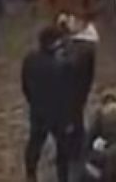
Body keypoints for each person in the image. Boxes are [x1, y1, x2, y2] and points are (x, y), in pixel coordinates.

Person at [22, 25, 77, 182]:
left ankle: (30, 173)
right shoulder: (62, 65)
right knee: (62, 148)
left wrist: (33, 101)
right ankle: (62, 177)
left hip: (37, 110)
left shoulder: (30, 59)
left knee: (35, 142)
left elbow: (25, 85)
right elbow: (68, 93)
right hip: (58, 114)